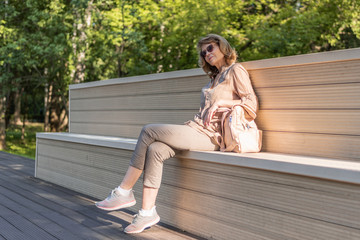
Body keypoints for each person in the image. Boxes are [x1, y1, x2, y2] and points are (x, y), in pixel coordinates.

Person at [95, 34, 258, 234]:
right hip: (196, 129)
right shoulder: (214, 78)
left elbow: (252, 104)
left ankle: (124, 192)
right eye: (203, 52)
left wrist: (222, 102)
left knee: (148, 130)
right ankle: (147, 213)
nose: (206, 54)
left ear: (223, 47)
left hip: (212, 136)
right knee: (155, 149)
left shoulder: (236, 70)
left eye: (210, 48)